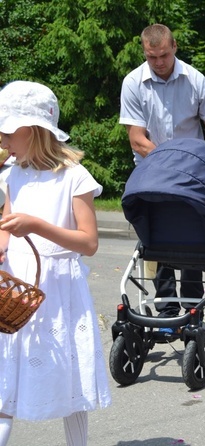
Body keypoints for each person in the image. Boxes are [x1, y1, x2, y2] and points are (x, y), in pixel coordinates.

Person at [0, 81, 111, 446]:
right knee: (5, 376)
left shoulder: (73, 177)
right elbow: (7, 229)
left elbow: (89, 242)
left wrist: (39, 226)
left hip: (58, 290)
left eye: (7, 130)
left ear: (31, 131)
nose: (1, 137)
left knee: (69, 376)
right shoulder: (13, 175)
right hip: (19, 288)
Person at [119, 23, 205, 319]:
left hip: (193, 174)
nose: (158, 63)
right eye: (151, 57)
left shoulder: (195, 80)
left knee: (192, 240)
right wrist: (167, 165)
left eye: (164, 55)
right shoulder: (133, 83)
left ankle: (192, 304)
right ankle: (166, 307)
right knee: (157, 238)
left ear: (174, 47)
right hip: (152, 171)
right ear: (144, 52)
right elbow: (137, 139)